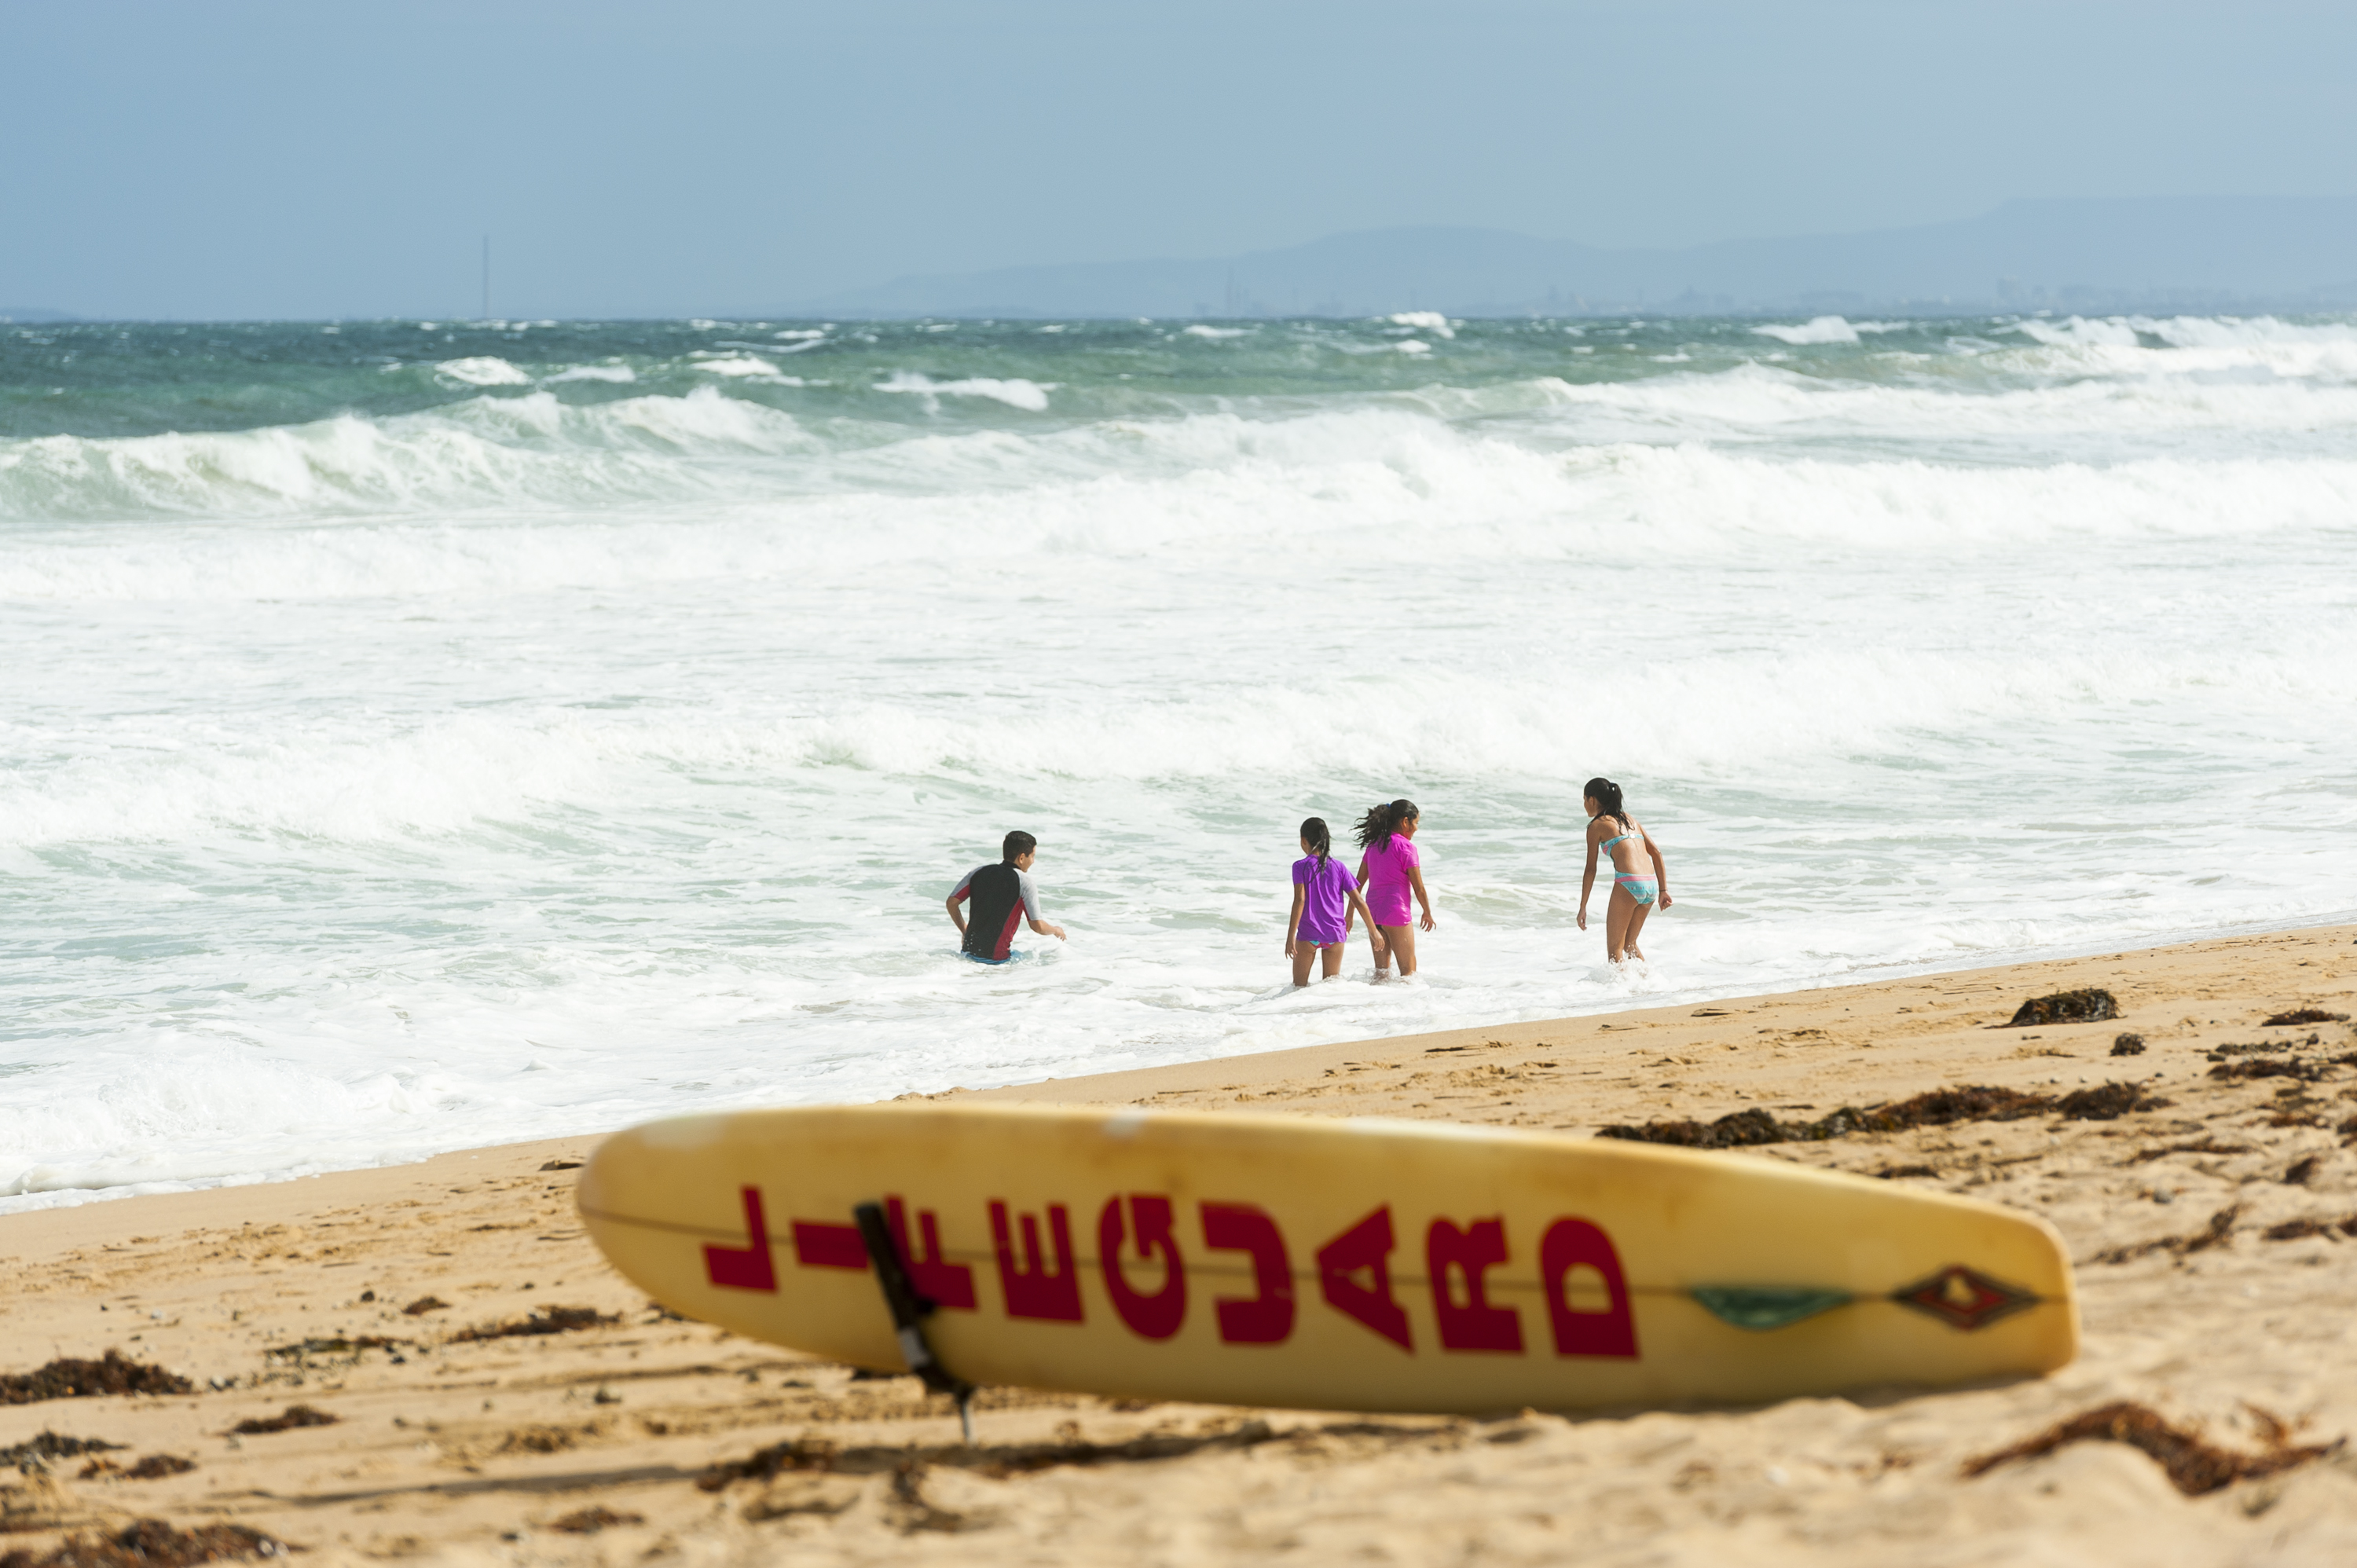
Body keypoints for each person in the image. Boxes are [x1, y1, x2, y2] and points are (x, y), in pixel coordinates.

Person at [1576, 777, 1670, 964]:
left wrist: (1583, 907)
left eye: (1584, 799)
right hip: (1651, 885)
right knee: (1629, 944)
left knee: (1615, 951)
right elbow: (1656, 853)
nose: (1584, 804)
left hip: (1630, 883)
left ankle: (1619, 983)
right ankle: (1649, 980)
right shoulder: (1629, 819)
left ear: (1592, 800)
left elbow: (1590, 869)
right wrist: (1663, 890)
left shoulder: (1596, 826)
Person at [946, 830, 1066, 963]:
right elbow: (1037, 926)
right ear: (1022, 858)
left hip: (966, 955)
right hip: (997, 962)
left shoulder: (978, 872)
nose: (1033, 861)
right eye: (1032, 856)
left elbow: (951, 903)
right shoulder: (1025, 882)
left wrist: (965, 931)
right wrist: (1056, 930)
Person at [1286, 816, 1377, 987]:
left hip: (1308, 934)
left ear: (1303, 840)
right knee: (1330, 989)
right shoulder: (1339, 866)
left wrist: (1291, 936)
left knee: (1298, 988)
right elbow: (1358, 900)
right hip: (1334, 934)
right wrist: (1374, 931)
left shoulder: (1300, 866)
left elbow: (1300, 900)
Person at [1354, 798, 1435, 978]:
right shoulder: (1406, 847)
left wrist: (1349, 914)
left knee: (1381, 974)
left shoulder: (1372, 846)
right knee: (1408, 973)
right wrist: (1427, 912)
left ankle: (1374, 998)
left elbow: (1357, 885)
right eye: (1416, 823)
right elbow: (1419, 888)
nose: (1416, 828)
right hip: (1396, 913)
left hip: (1374, 915)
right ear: (1405, 822)